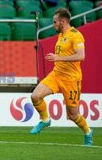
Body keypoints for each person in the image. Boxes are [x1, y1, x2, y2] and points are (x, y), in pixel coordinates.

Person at [30, 8, 93, 146]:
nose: (53, 25)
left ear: (63, 22)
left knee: (73, 115)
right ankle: (45, 120)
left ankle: (88, 132)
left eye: (55, 22)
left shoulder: (76, 35)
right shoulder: (61, 34)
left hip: (71, 79)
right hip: (56, 74)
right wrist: (58, 59)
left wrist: (58, 57)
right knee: (35, 96)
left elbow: (81, 56)